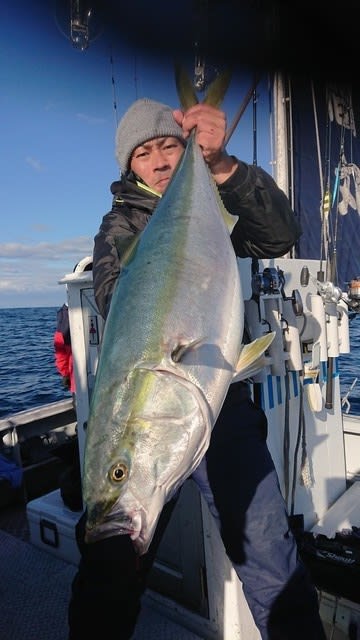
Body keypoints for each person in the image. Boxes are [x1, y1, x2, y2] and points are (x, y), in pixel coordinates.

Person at [68, 97, 326, 639]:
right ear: (129, 167)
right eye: (144, 152)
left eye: (170, 146)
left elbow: (280, 236)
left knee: (268, 553)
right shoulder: (118, 228)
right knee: (108, 566)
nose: (161, 161)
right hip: (163, 403)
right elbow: (119, 303)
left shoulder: (212, 197)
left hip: (219, 400)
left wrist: (224, 167)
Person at [54, 303, 75, 397]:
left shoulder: (64, 316)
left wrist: (65, 374)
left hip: (77, 379)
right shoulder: (64, 316)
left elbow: (60, 352)